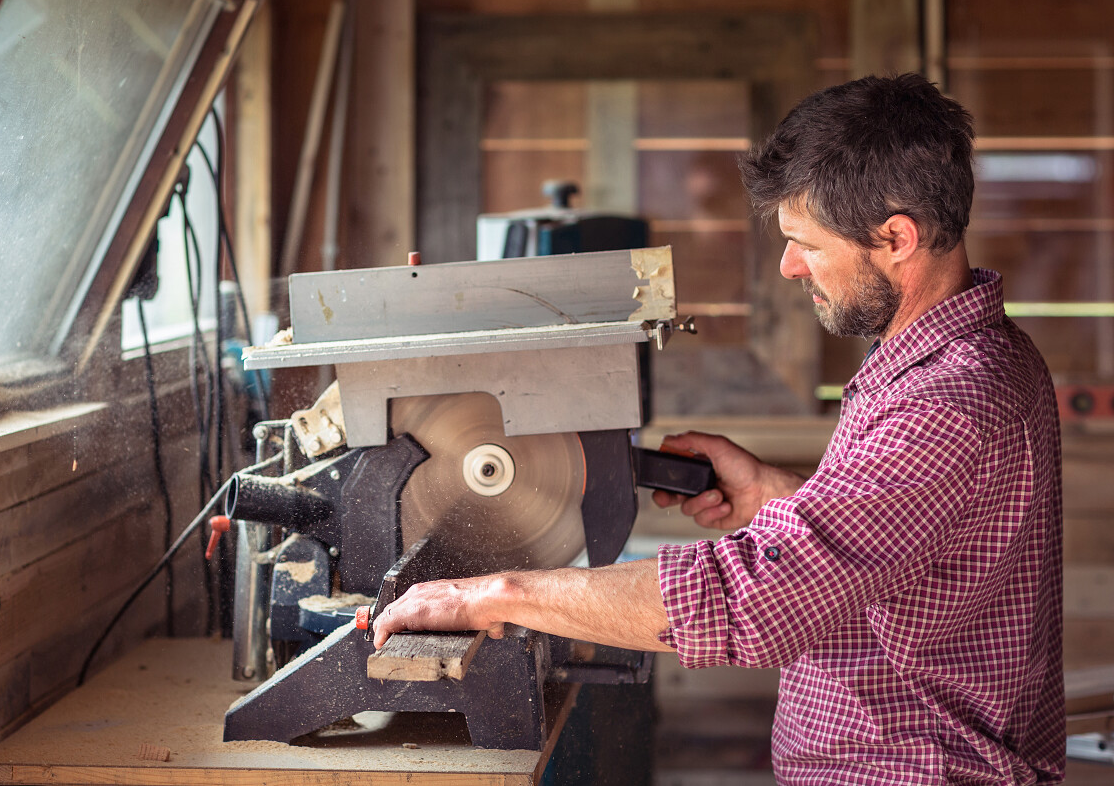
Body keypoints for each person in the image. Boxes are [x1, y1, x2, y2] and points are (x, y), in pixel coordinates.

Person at [371, 73, 1064, 785]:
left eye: (806, 243)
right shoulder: (958, 353)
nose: (791, 265)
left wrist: (490, 595)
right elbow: (911, 547)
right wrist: (777, 494)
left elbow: (750, 598)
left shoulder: (948, 401)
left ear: (897, 237)